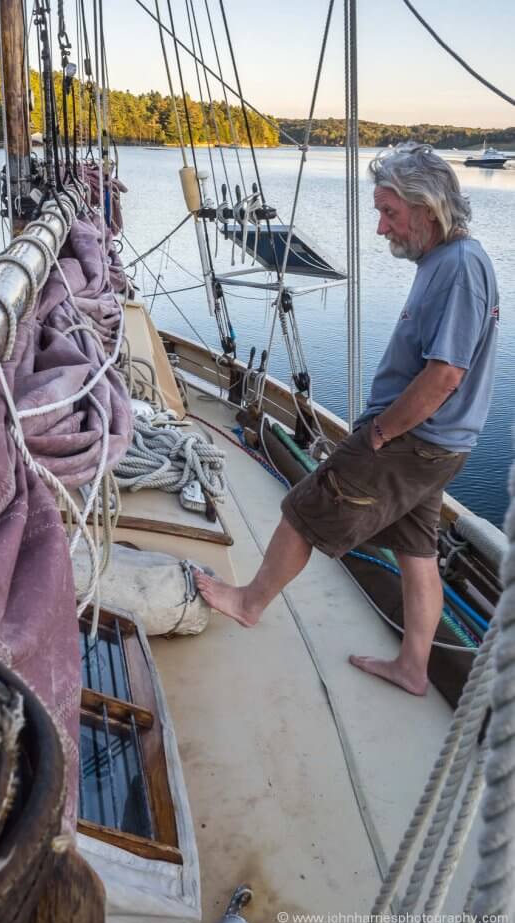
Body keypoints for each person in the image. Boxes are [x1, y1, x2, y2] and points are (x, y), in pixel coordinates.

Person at [194, 143, 499, 696]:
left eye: (390, 212)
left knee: (306, 509)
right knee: (417, 551)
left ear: (428, 208)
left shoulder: (457, 267)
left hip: (411, 441)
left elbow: (444, 375)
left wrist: (379, 433)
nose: (381, 227)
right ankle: (413, 666)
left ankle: (247, 602)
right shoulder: (447, 261)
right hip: (437, 447)